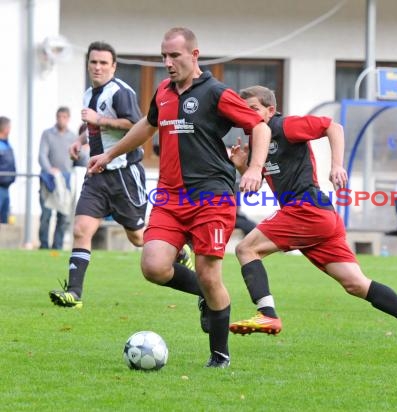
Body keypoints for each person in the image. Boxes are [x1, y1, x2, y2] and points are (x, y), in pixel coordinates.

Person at [87, 28, 271, 368]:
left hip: (211, 198)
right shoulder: (164, 92)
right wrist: (109, 154)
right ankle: (204, 295)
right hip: (171, 198)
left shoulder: (216, 92)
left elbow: (259, 126)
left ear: (194, 55)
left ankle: (219, 356)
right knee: (153, 266)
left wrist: (255, 168)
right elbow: (147, 125)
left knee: (208, 272)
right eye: (163, 57)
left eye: (175, 56)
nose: (168, 63)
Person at [228, 85, 397, 359]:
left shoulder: (286, 126)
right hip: (319, 217)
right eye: (244, 112)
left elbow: (334, 127)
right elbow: (257, 184)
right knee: (356, 284)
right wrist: (241, 166)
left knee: (246, 249)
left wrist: (337, 165)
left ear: (270, 110)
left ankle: (267, 314)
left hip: (307, 209)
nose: (249, 116)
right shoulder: (258, 141)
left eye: (254, 110)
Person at [49, 41, 147, 308]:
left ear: (113, 66)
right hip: (96, 174)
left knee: (138, 237)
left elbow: (136, 125)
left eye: (104, 63)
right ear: (87, 63)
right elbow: (93, 125)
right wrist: (80, 140)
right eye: (93, 62)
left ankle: (176, 250)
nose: (98, 67)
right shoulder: (88, 93)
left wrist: (99, 120)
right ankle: (75, 294)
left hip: (124, 174)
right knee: (81, 229)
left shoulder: (120, 92)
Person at [38, 107, 77, 249]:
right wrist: (50, 170)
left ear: (68, 118)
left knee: (63, 216)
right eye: (59, 116)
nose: (62, 119)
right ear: (56, 117)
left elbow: (78, 158)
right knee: (46, 214)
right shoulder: (47, 134)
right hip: (48, 180)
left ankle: (58, 246)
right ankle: (43, 245)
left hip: (65, 182)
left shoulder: (72, 137)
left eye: (64, 117)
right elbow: (42, 155)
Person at [0, 116, 15, 223]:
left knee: (4, 219)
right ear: (5, 128)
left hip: (6, 186)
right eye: (9, 127)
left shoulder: (7, 143)